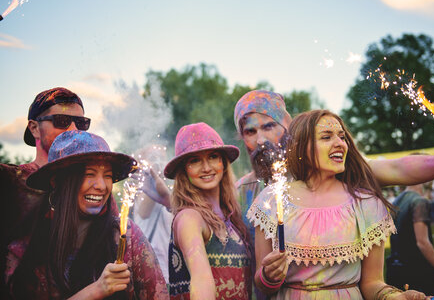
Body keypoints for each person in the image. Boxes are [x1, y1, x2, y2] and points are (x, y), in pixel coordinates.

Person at [234, 90, 434, 227]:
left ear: (288, 128)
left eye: (269, 126)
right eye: (250, 131)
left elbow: (395, 168)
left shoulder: (326, 172)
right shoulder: (242, 191)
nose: (260, 140)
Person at [248, 109, 430, 299]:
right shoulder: (273, 199)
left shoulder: (366, 203)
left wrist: (395, 297)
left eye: (342, 137)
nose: (340, 144)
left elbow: (372, 283)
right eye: (326, 137)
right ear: (301, 146)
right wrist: (269, 276)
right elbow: (262, 285)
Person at [5, 130, 169, 299]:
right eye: (89, 174)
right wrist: (96, 290)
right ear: (57, 181)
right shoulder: (25, 248)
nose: (101, 186)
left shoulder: (125, 235)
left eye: (108, 176)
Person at [0, 87, 89, 297]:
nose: (74, 129)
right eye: (61, 120)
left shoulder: (94, 188)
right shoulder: (9, 181)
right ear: (34, 128)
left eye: (82, 123)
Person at [164, 122, 252, 300]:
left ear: (223, 163)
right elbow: (201, 280)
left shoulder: (232, 218)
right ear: (183, 171)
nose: (206, 167)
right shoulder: (190, 218)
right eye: (195, 160)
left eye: (212, 156)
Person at [387, 180, 434, 295]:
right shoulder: (419, 202)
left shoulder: (397, 200)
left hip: (396, 268)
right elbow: (422, 242)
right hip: (417, 269)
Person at [133, 145, 173, 282]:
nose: (158, 163)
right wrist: (155, 178)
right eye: (153, 158)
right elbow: (144, 212)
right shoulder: (142, 191)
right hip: (150, 268)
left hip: (170, 266)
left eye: (162, 158)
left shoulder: (171, 190)